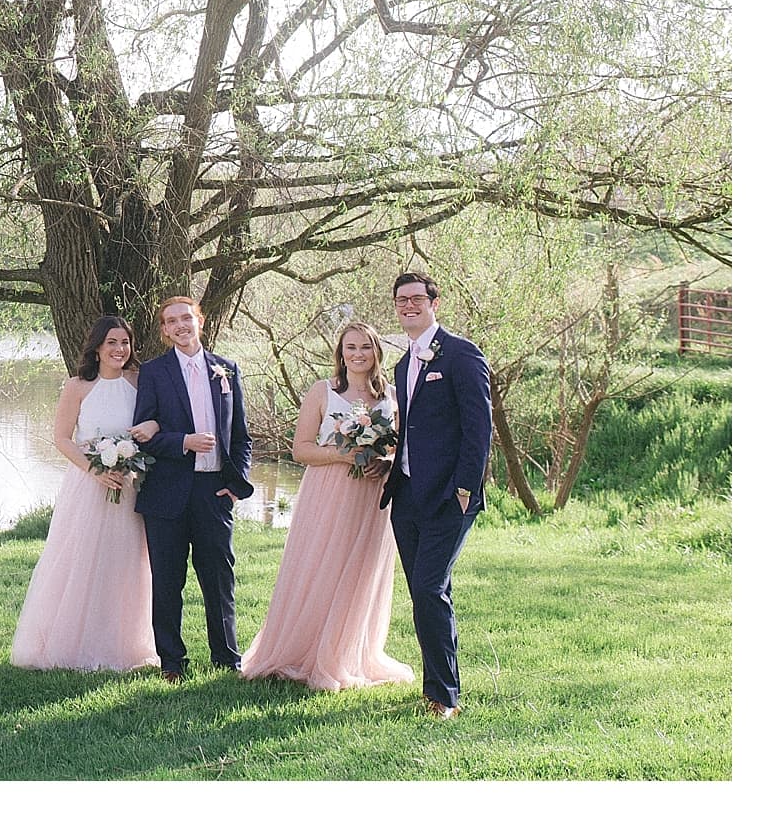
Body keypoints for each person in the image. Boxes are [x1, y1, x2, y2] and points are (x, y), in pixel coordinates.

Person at [241, 320, 414, 691]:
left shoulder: (393, 396)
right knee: (322, 565)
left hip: (371, 494)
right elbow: (300, 449)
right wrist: (342, 454)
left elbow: (401, 447)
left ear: (376, 353)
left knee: (360, 570)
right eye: (350, 348)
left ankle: (350, 653)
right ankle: (305, 649)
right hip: (329, 490)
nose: (357, 355)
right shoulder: (323, 391)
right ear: (341, 353)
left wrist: (383, 460)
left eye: (365, 348)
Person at [10, 314, 160, 672]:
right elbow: (62, 437)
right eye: (112, 342)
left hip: (129, 487)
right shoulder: (78, 386)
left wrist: (151, 427)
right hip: (88, 486)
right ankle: (73, 642)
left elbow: (159, 419)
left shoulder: (139, 382)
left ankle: (125, 645)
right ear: (96, 348)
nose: (119, 350)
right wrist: (96, 469)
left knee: (125, 564)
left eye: (125, 342)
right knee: (82, 562)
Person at [381, 269, 493, 719]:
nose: (409, 306)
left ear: (434, 302)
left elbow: (478, 429)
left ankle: (445, 697)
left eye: (416, 299)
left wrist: (466, 487)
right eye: (401, 300)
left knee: (429, 589)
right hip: (407, 494)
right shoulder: (403, 363)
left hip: (450, 496)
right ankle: (435, 688)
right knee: (424, 592)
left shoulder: (462, 355)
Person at [132, 294, 253, 682]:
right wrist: (183, 442)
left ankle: (227, 659)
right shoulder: (153, 373)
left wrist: (237, 485)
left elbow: (241, 438)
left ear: (199, 320)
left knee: (219, 578)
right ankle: (172, 662)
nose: (180, 325)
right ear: (165, 331)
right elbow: (143, 433)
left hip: (214, 493)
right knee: (168, 582)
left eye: (187, 317)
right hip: (166, 493)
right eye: (172, 321)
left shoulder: (227, 370)